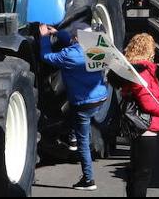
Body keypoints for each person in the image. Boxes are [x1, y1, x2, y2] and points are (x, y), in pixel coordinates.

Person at [39, 22, 109, 191]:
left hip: (83, 103)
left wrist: (44, 39)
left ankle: (88, 180)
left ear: (76, 37)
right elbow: (73, 40)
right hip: (101, 98)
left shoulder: (69, 55)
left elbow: (46, 56)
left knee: (83, 141)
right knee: (78, 116)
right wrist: (57, 33)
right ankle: (73, 136)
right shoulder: (98, 48)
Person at [122, 33, 159, 198]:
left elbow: (152, 95)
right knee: (143, 175)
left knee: (135, 172)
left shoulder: (133, 69)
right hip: (146, 128)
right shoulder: (142, 72)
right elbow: (148, 102)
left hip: (138, 127)